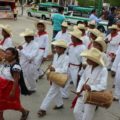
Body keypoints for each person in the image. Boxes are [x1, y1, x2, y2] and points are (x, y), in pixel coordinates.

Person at [73, 48, 108, 120]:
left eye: (88, 58)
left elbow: (103, 85)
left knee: (87, 116)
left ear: (94, 60)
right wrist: (78, 90)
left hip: (93, 96)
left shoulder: (103, 70)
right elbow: (82, 79)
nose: (86, 60)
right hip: (82, 93)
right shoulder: (88, 67)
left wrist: (91, 87)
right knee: (76, 111)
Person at [38, 40, 69, 117]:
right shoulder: (55, 55)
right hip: (54, 76)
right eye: (56, 48)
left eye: (58, 48)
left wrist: (55, 69)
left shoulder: (66, 58)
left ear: (63, 49)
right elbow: (54, 65)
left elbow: (65, 70)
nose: (56, 49)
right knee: (56, 91)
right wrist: (51, 70)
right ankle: (60, 104)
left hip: (61, 77)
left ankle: (43, 109)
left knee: (51, 92)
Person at [0, 47, 29, 120]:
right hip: (1, 86)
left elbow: (16, 80)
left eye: (8, 54)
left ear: (14, 56)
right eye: (5, 53)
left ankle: (24, 112)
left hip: (10, 87)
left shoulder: (15, 66)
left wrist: (13, 91)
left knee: (14, 105)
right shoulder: (4, 61)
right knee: (0, 103)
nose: (5, 55)